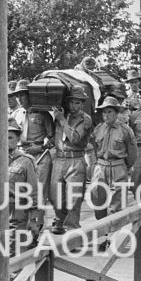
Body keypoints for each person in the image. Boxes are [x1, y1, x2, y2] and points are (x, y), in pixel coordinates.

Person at [50, 86, 93, 234]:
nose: (74, 106)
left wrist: (62, 121)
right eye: (72, 102)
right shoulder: (61, 115)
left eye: (78, 103)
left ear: (82, 104)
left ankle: (73, 232)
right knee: (55, 196)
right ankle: (60, 221)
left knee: (73, 199)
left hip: (76, 160)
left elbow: (75, 138)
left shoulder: (85, 119)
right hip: (59, 159)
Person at [86, 95, 137, 222]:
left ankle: (114, 238)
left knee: (117, 204)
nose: (106, 115)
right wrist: (93, 166)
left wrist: (124, 166)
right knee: (97, 199)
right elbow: (92, 147)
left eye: (110, 111)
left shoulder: (125, 130)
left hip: (118, 166)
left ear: (116, 113)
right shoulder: (98, 129)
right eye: (104, 112)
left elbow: (132, 153)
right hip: (100, 167)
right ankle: (102, 235)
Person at [7, 117, 40, 281]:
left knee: (14, 249)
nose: (6, 141)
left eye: (11, 137)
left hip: (18, 210)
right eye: (3, 136)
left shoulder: (26, 161)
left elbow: (34, 191)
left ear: (17, 139)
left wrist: (35, 217)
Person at [14, 83, 54, 235]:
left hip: (40, 155)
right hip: (22, 155)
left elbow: (52, 137)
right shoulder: (18, 114)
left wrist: (40, 148)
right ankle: (22, 224)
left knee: (39, 192)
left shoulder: (43, 114)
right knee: (21, 191)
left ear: (30, 95)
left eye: (22, 95)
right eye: (17, 95)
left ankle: (37, 225)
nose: (20, 98)